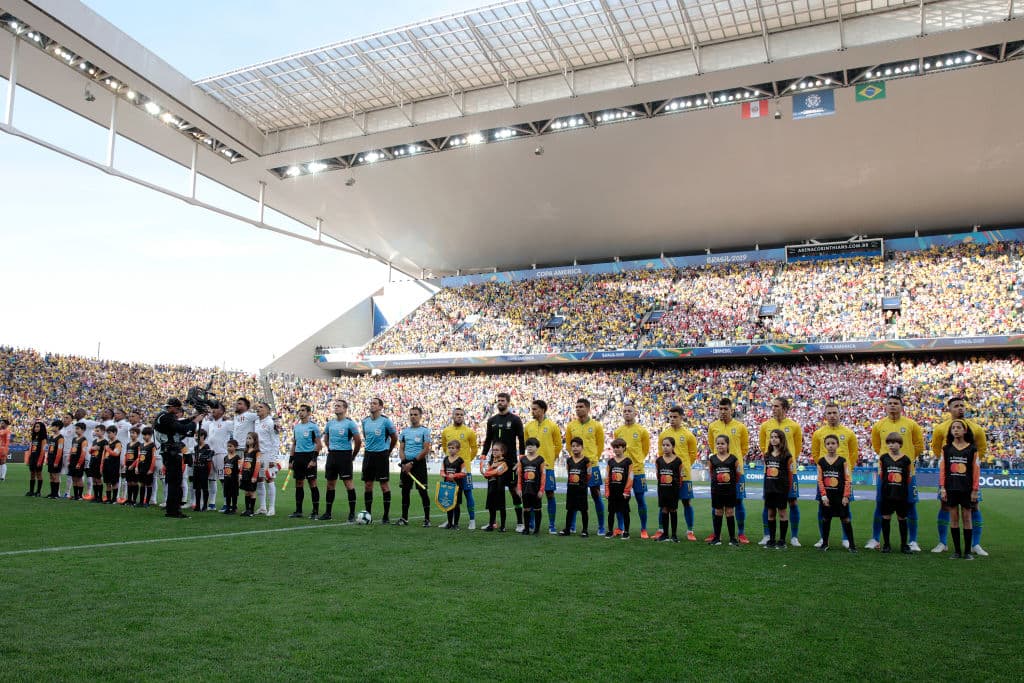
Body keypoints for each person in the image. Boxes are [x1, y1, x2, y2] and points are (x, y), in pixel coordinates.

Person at [930, 396, 988, 556]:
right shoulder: (941, 428)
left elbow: (981, 449)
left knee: (974, 506)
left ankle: (975, 544)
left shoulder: (975, 428)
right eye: (956, 406)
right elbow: (936, 449)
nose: (960, 408)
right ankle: (943, 542)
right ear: (949, 409)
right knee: (945, 506)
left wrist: (970, 465)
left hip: (968, 477)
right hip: (950, 476)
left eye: (962, 405)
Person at [866, 396, 924, 550]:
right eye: (890, 403)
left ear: (901, 406)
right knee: (880, 504)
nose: (892, 406)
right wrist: (890, 461)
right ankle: (875, 539)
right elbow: (877, 447)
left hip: (907, 473)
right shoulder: (879, 426)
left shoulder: (911, 425)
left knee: (910, 506)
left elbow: (919, 445)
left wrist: (907, 459)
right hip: (885, 473)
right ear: (885, 407)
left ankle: (913, 541)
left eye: (896, 403)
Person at [811, 403, 859, 549]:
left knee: (846, 507)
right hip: (825, 477)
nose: (832, 415)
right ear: (825, 415)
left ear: (839, 414)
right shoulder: (818, 433)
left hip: (842, 479)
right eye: (829, 413)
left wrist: (847, 471)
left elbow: (854, 454)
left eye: (834, 412)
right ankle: (823, 539)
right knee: (822, 508)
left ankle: (846, 539)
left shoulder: (849, 433)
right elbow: (815, 454)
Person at [758, 397, 803, 547]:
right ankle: (767, 536)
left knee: (792, 502)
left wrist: (785, 465)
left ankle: (794, 536)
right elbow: (763, 446)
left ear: (785, 408)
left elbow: (797, 448)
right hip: (770, 471)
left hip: (788, 471)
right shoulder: (765, 426)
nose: (774, 408)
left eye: (777, 406)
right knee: (768, 504)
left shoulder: (794, 426)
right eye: (773, 406)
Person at [481, 392, 526, 532]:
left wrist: (521, 459)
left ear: (508, 402)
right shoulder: (492, 420)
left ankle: (520, 522)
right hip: (494, 462)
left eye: (502, 400)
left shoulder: (515, 420)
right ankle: (492, 523)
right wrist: (483, 457)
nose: (500, 402)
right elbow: (488, 440)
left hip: (511, 462)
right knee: (493, 492)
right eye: (498, 400)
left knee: (513, 491)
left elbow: (521, 440)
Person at [708, 398, 750, 544]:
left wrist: (734, 463)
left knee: (738, 502)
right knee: (717, 504)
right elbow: (711, 445)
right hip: (718, 472)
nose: (723, 411)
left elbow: (744, 448)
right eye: (721, 408)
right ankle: (716, 534)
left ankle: (741, 533)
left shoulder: (740, 427)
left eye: (726, 409)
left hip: (736, 472)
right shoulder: (713, 426)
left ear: (731, 410)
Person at [938, 419, 979, 559]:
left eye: (959, 427)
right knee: (954, 519)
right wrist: (943, 488)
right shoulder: (946, 449)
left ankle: (967, 552)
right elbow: (943, 470)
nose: (955, 430)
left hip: (966, 489)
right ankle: (957, 551)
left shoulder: (972, 449)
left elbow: (976, 470)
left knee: (967, 519)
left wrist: (975, 490)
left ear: (965, 430)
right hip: (951, 488)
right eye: (953, 428)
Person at [564, 398, 606, 535]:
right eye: (576, 407)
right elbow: (570, 445)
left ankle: (601, 526)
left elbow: (600, 445)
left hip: (591, 465)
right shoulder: (571, 426)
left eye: (581, 406)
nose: (578, 409)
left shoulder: (597, 426)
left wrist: (593, 459)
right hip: (576, 466)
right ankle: (572, 526)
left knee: (596, 494)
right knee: (574, 494)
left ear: (588, 409)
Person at [154, 397, 201, 519]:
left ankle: (172, 509)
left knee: (174, 482)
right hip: (171, 452)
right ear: (172, 407)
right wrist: (195, 421)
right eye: (177, 408)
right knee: (176, 482)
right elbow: (183, 428)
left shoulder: (163, 416)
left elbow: (180, 423)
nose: (177, 411)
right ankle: (174, 510)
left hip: (168, 451)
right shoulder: (166, 417)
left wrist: (192, 419)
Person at [658, 406, 698, 541]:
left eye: (675, 417)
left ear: (681, 418)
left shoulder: (688, 435)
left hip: (684, 475)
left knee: (686, 502)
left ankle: (690, 530)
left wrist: (684, 467)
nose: (672, 419)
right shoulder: (664, 434)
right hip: (667, 476)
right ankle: (661, 529)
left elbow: (693, 455)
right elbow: (660, 454)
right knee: (664, 503)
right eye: (671, 417)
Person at [524, 399, 563, 534]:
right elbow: (526, 444)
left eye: (534, 409)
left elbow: (558, 445)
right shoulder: (529, 426)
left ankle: (552, 525)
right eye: (532, 408)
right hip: (531, 467)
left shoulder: (552, 426)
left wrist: (551, 459)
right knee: (531, 495)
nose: (532, 411)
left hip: (547, 467)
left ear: (542, 410)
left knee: (550, 494)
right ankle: (532, 524)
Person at [614, 403, 651, 538]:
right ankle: (620, 528)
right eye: (625, 411)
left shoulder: (642, 431)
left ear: (635, 414)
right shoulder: (618, 431)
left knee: (640, 499)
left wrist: (638, 461)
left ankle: (643, 529)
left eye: (629, 411)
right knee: (621, 501)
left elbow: (645, 450)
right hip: (622, 472)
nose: (627, 413)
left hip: (638, 471)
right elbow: (617, 450)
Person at [323, 399, 362, 522]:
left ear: (345, 409)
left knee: (348, 483)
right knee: (330, 484)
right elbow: (326, 438)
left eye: (339, 406)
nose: (336, 408)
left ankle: (351, 513)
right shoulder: (330, 423)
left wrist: (353, 455)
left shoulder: (350, 424)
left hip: (345, 456)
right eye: (335, 406)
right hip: (332, 455)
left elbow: (358, 441)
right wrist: (330, 449)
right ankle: (328, 513)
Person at [816, 434, 857, 553]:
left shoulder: (842, 461)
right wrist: (823, 495)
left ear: (838, 445)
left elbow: (847, 479)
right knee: (826, 519)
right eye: (828, 444)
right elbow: (820, 480)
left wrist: (846, 496)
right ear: (825, 446)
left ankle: (852, 545)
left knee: (845, 520)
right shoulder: (821, 461)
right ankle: (825, 543)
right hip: (827, 497)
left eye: (833, 443)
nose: (830, 446)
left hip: (840, 496)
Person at [360, 398, 398, 524]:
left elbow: (394, 437)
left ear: (381, 407)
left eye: (375, 403)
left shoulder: (386, 421)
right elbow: (366, 436)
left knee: (384, 485)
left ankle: (386, 516)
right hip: (369, 455)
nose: (372, 405)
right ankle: (368, 514)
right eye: (371, 403)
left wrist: (388, 451)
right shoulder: (365, 421)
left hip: (381, 455)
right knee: (368, 485)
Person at [440, 408, 478, 530]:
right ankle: (449, 521)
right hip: (449, 471)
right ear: (452, 416)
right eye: (457, 414)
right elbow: (445, 447)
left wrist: (467, 461)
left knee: (468, 494)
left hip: (464, 471)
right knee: (450, 495)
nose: (459, 416)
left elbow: (474, 449)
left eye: (461, 415)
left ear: (464, 417)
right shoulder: (446, 431)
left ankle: (472, 520)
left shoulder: (469, 432)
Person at [396, 406, 432, 527]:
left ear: (420, 416)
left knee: (423, 491)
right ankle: (404, 518)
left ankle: (427, 519)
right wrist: (405, 462)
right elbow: (401, 449)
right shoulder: (404, 432)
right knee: (405, 492)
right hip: (406, 465)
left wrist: (412, 463)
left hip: (418, 465)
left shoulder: (424, 431)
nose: (413, 416)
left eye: (415, 414)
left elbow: (426, 449)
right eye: (411, 414)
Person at [878, 432, 913, 554]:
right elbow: (882, 475)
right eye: (889, 443)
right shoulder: (884, 458)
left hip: (901, 494)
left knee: (902, 518)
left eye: (894, 443)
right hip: (887, 493)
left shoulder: (906, 459)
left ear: (900, 444)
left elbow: (908, 477)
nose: (891, 445)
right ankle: (886, 544)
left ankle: (904, 545)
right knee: (886, 517)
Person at [288, 404, 323, 520]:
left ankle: (315, 511)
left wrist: (314, 459)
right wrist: (291, 460)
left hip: (309, 458)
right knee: (298, 483)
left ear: (309, 413)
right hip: (298, 457)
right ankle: (298, 511)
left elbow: (319, 444)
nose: (300, 412)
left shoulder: (313, 427)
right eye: (299, 411)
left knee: (312, 483)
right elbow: (294, 444)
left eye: (303, 410)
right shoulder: (296, 427)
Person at [762, 429, 794, 549]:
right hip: (770, 489)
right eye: (772, 437)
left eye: (776, 437)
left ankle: (782, 540)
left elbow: (790, 474)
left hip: (781, 489)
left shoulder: (787, 455)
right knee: (770, 513)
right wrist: (765, 489)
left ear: (781, 439)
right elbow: (766, 473)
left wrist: (788, 489)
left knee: (782, 513)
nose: (774, 439)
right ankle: (771, 539)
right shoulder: (767, 455)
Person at [708, 435, 739, 546]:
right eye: (718, 443)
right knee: (718, 512)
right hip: (717, 490)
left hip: (729, 490)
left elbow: (738, 474)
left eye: (722, 443)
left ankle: (732, 538)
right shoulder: (712, 459)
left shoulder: (733, 459)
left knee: (730, 512)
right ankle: (717, 538)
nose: (720, 445)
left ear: (727, 445)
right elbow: (711, 473)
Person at [201, 402, 232, 512]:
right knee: (211, 479)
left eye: (216, 408)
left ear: (222, 412)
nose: (213, 410)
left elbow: (237, 429)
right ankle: (212, 503)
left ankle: (226, 503)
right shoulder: (209, 423)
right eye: (212, 408)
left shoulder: (227, 423)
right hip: (210, 454)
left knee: (223, 480)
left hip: (221, 454)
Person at [558, 437, 590, 537]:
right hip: (571, 489)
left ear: (582, 447)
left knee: (583, 510)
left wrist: (583, 484)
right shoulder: (569, 460)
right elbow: (569, 473)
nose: (575, 448)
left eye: (577, 446)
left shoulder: (586, 460)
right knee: (570, 509)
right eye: (573, 446)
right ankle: (567, 529)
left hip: (581, 489)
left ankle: (584, 530)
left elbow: (589, 474)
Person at [655, 437, 683, 543]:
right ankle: (665, 535)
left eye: (668, 445)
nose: (665, 447)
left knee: (673, 510)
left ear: (673, 447)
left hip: (673, 490)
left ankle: (674, 535)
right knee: (664, 509)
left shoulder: (678, 460)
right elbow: (658, 474)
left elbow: (681, 476)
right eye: (664, 445)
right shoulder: (659, 460)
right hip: (662, 489)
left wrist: (676, 486)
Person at [604, 438, 633, 539]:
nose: (616, 449)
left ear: (624, 448)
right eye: (614, 448)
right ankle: (610, 531)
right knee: (611, 512)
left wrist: (626, 491)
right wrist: (607, 490)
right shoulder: (610, 462)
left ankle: (626, 532)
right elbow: (607, 476)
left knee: (625, 512)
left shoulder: (628, 461)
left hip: (623, 492)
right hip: (612, 492)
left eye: (618, 447)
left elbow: (630, 477)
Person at [254, 402, 280, 516]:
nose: (258, 409)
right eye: (258, 407)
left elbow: (275, 441)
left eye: (261, 407)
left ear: (268, 411)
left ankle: (272, 508)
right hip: (258, 455)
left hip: (268, 454)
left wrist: (273, 458)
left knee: (269, 480)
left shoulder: (271, 423)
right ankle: (263, 507)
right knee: (259, 480)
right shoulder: (256, 422)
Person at [516, 438, 546, 535]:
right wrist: (519, 488)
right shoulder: (522, 459)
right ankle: (527, 529)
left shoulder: (540, 459)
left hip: (536, 489)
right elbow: (519, 475)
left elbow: (543, 475)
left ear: (537, 447)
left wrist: (541, 489)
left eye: (531, 445)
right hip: (525, 489)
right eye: (528, 445)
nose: (529, 447)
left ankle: (537, 529)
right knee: (526, 509)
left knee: (537, 509)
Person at [480, 443, 509, 532]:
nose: (494, 452)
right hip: (491, 487)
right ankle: (491, 525)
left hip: (499, 488)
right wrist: (484, 469)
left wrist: (487, 472)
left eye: (497, 450)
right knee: (491, 507)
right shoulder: (491, 462)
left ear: (502, 452)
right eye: (493, 450)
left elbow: (497, 472)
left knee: (501, 507)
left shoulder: (504, 462)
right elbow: (485, 473)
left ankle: (503, 526)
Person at [440, 439, 467, 530]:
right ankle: (449, 523)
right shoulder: (445, 459)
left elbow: (464, 473)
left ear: (458, 449)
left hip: (457, 486)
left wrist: (454, 476)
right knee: (448, 503)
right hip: (447, 486)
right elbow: (442, 471)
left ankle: (456, 524)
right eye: (449, 448)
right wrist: (446, 475)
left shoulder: (460, 460)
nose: (451, 450)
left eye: (453, 448)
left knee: (456, 505)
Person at [239, 433, 262, 517]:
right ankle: (247, 509)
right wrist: (240, 473)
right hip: (245, 474)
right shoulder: (245, 451)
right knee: (246, 492)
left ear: (254, 440)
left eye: (250, 438)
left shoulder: (257, 452)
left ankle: (251, 511)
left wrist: (255, 476)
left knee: (252, 492)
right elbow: (242, 463)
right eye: (247, 438)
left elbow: (258, 464)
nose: (248, 440)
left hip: (252, 475)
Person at [192, 429, 214, 513]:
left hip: (203, 469)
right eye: (195, 435)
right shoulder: (195, 447)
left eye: (198, 436)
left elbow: (209, 460)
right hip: (196, 469)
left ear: (203, 437)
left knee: (204, 488)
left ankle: (205, 505)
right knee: (197, 488)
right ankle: (197, 505)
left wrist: (208, 471)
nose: (196, 437)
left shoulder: (207, 447)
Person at [25, 421, 48, 497]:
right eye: (35, 427)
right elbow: (31, 448)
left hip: (38, 457)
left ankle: (38, 491)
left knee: (39, 474)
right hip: (33, 457)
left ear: (41, 428)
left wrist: (40, 460)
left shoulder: (43, 438)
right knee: (32, 474)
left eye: (38, 427)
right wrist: (28, 458)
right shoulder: (33, 436)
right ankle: (31, 491)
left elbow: (43, 450)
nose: (36, 428)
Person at [67, 422, 88, 500]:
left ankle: (80, 496)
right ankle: (75, 495)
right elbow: (71, 450)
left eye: (78, 429)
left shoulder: (84, 440)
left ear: (83, 430)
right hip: (72, 461)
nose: (76, 430)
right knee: (73, 478)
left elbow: (83, 453)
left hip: (79, 461)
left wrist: (79, 463)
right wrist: (69, 459)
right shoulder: (74, 439)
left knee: (79, 478)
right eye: (76, 428)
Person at [45, 419, 65, 499]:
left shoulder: (60, 438)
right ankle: (52, 493)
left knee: (55, 476)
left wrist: (56, 461)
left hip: (56, 459)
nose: (51, 427)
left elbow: (60, 451)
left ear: (57, 427)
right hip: (50, 458)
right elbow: (50, 448)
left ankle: (56, 494)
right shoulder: (51, 437)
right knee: (51, 476)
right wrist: (47, 459)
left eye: (53, 426)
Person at [87, 425, 108, 503]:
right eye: (95, 431)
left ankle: (100, 497)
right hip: (92, 461)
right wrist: (92, 449)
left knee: (98, 480)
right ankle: (95, 496)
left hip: (99, 462)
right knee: (94, 479)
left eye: (98, 431)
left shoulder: (105, 441)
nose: (96, 432)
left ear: (103, 431)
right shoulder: (94, 441)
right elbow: (90, 451)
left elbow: (106, 452)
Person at [138, 427, 157, 506]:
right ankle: (141, 501)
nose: (145, 436)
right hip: (141, 467)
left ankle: (147, 502)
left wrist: (151, 469)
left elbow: (154, 457)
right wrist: (136, 467)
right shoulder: (141, 445)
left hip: (148, 467)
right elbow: (139, 457)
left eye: (146, 435)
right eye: (144, 435)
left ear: (150, 435)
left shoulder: (153, 445)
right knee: (142, 484)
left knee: (148, 484)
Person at [123, 427, 142, 506]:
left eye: (133, 433)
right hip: (128, 466)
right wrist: (124, 464)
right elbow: (126, 455)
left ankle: (134, 500)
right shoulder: (128, 444)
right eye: (131, 433)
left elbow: (139, 456)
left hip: (134, 466)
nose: (131, 435)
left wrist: (133, 465)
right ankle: (129, 499)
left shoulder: (139, 444)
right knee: (129, 482)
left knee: (134, 482)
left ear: (137, 434)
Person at [222, 439, 241, 514]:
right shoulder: (225, 457)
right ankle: (227, 507)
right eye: (228, 446)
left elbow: (239, 469)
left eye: (231, 446)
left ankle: (234, 507)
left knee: (234, 493)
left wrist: (239, 478)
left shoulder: (237, 458)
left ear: (235, 447)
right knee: (227, 493)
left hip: (234, 479)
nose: (229, 448)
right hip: (227, 478)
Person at [0, 418, 9, 482]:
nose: (1, 424)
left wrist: (5, 450)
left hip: (3, 448)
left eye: (2, 423)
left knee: (3, 462)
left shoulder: (7, 431)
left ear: (5, 424)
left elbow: (7, 441)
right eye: (1, 423)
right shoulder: (0, 430)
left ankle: (3, 477)